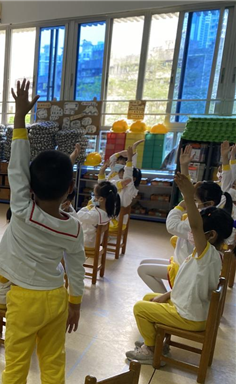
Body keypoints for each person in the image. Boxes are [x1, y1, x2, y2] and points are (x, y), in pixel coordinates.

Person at [0, 80, 85, 384]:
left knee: (16, 364)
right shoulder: (73, 227)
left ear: (30, 186)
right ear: (69, 190)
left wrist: (19, 117)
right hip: (56, 299)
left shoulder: (22, 209)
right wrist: (75, 302)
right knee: (54, 363)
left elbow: (17, 166)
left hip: (24, 300)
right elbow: (76, 266)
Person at [126, 173, 234, 364]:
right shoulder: (204, 255)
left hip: (189, 316)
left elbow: (195, 225)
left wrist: (188, 197)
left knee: (140, 308)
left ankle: (151, 350)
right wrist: (167, 295)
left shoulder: (207, 254)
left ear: (211, 235)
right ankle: (157, 343)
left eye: (196, 231)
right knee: (149, 298)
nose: (192, 232)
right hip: (190, 308)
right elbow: (186, 284)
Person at [137, 147, 231, 293]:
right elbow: (188, 193)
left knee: (143, 270)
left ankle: (167, 298)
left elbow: (171, 225)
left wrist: (179, 207)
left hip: (185, 270)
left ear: (208, 203)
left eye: (195, 200)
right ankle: (167, 296)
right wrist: (185, 167)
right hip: (183, 261)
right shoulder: (212, 212)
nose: (191, 201)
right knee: (144, 263)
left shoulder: (200, 221)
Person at [76, 180, 120, 252]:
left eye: (94, 195)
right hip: (96, 241)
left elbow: (78, 215)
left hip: (87, 242)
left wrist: (87, 207)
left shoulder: (96, 214)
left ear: (101, 199)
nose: (92, 197)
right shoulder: (108, 212)